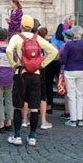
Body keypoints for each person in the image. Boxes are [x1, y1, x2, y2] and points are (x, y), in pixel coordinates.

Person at [6, 15, 58, 147]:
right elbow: (53, 51)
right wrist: (42, 64)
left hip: (21, 74)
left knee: (18, 106)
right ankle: (32, 136)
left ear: (21, 25)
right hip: (36, 74)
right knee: (34, 107)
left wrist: (13, 64)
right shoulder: (37, 38)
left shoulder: (16, 37)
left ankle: (17, 135)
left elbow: (8, 50)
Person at [60, 26, 83, 127]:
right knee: (80, 95)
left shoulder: (69, 45)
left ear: (72, 34)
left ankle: (73, 120)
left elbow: (63, 60)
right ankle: (80, 119)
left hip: (70, 70)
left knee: (71, 95)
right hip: (81, 70)